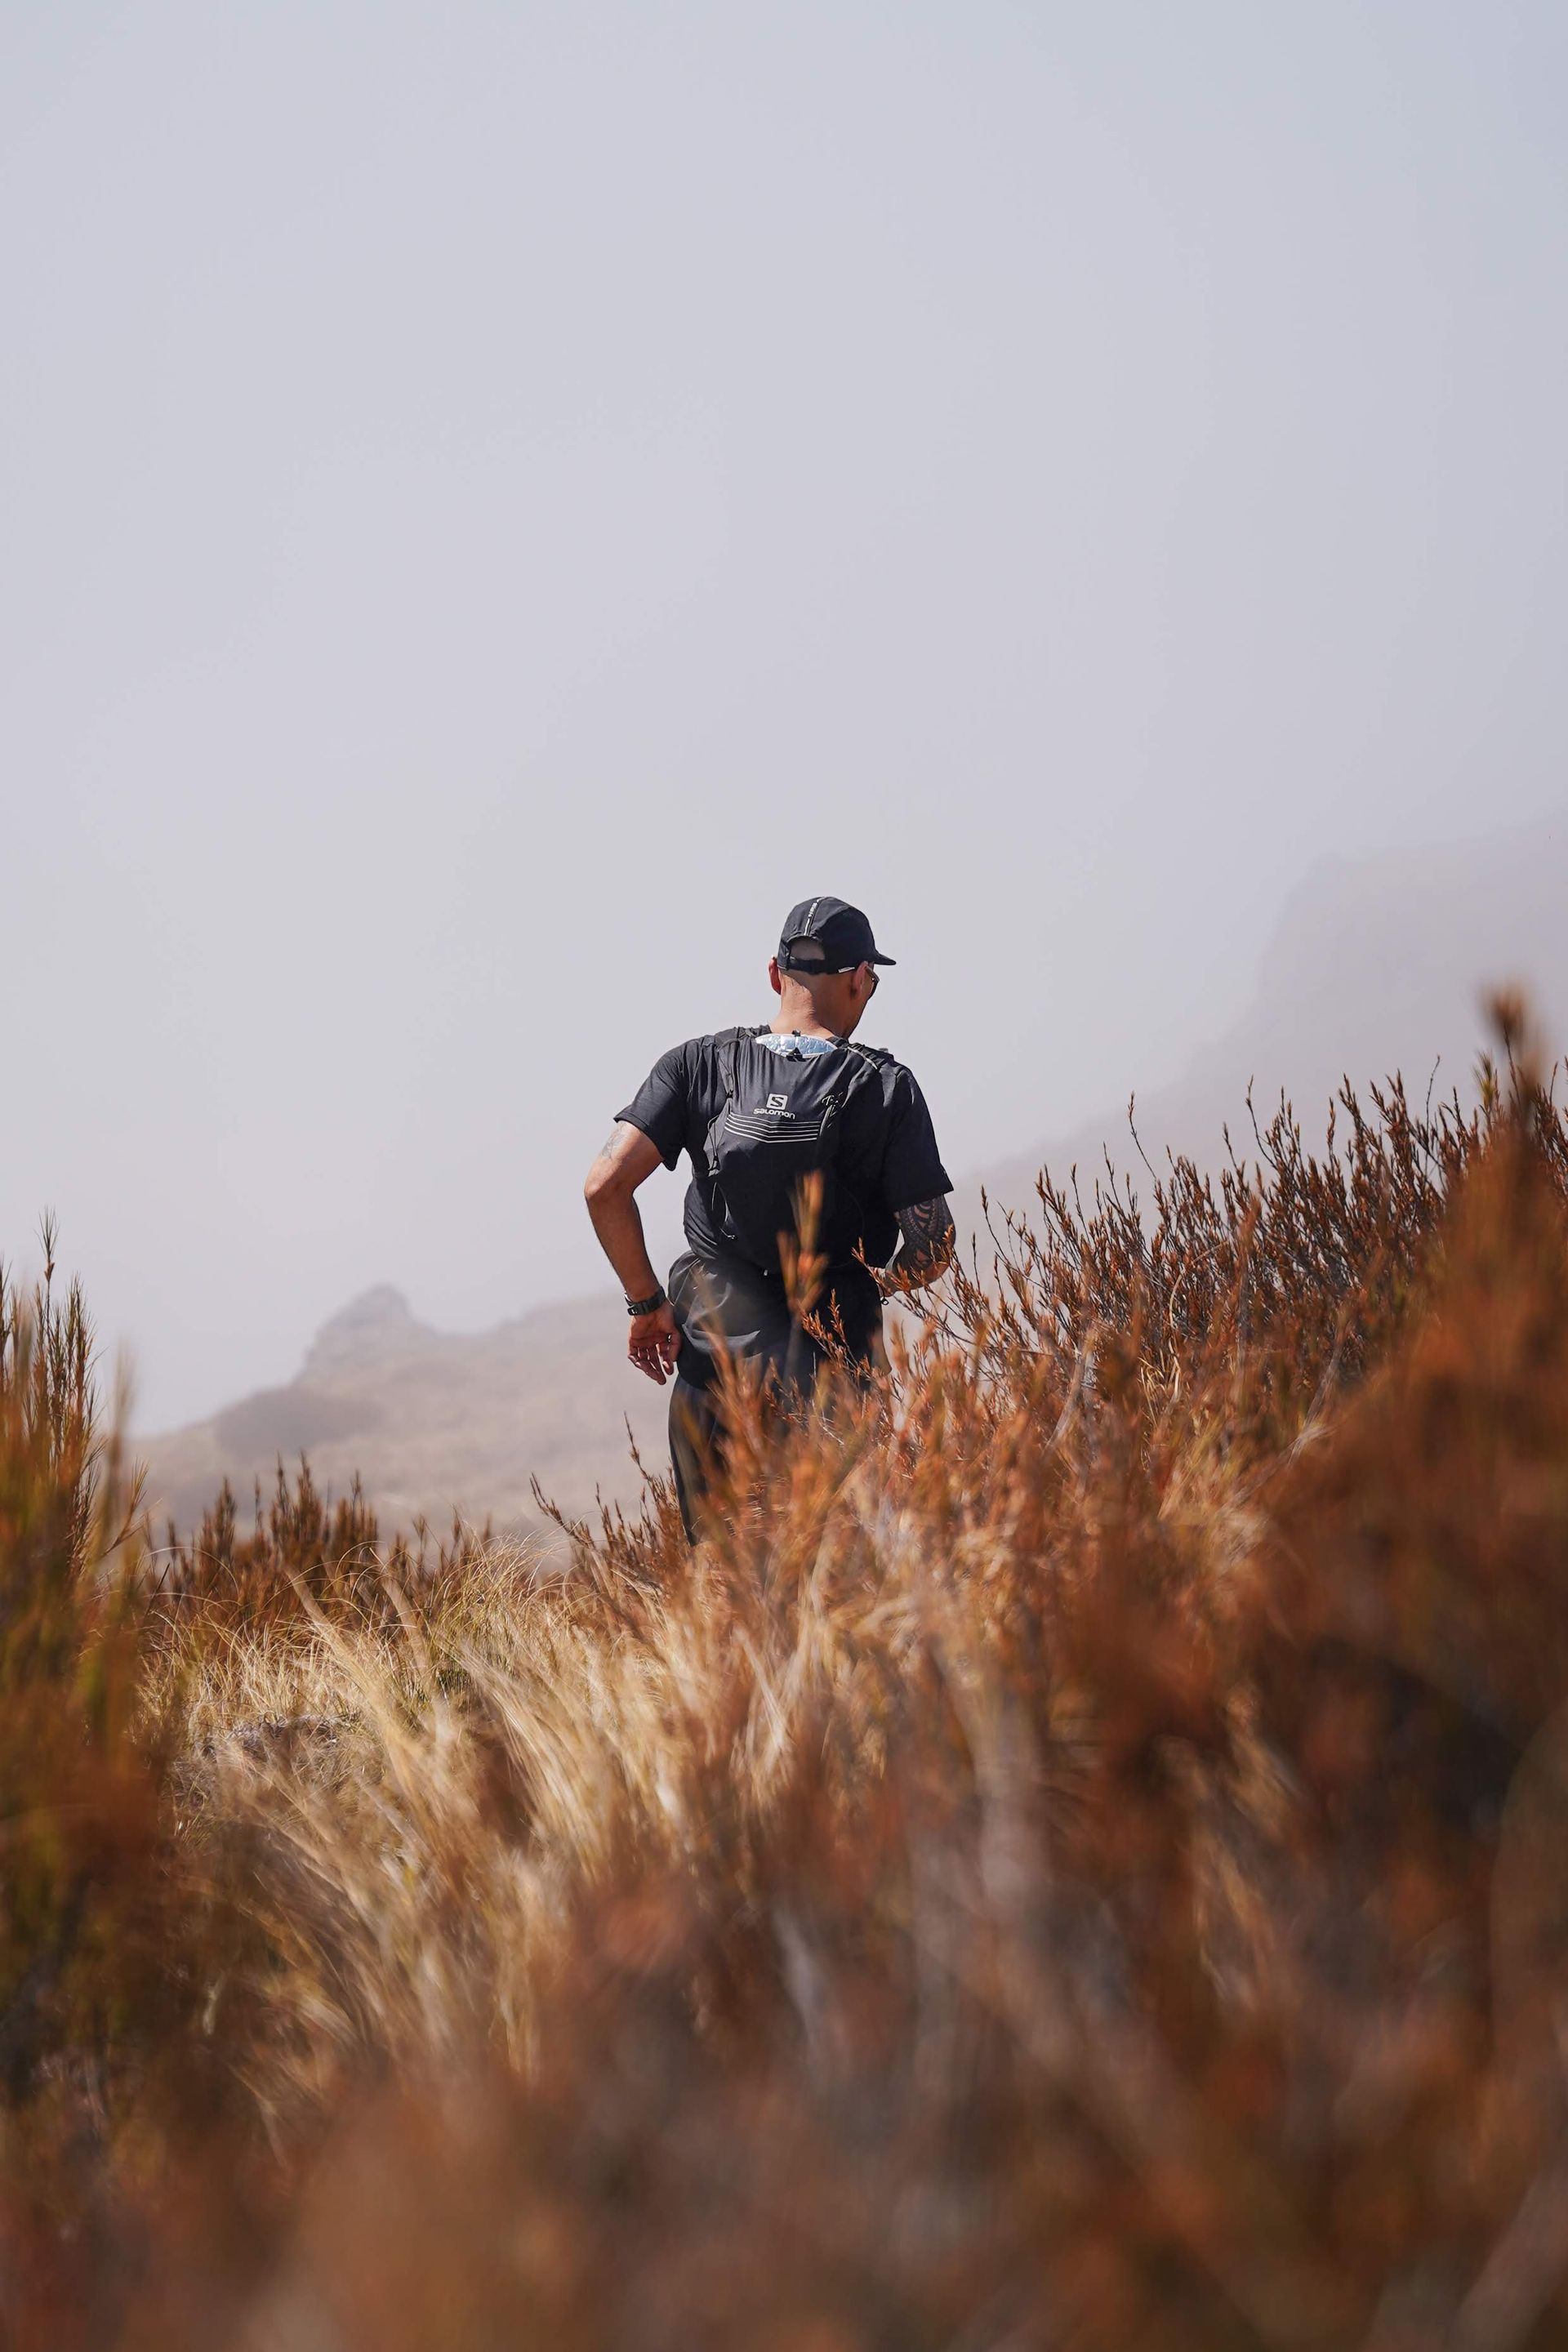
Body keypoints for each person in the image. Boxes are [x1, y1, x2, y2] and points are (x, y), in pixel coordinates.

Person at [584, 896, 956, 1539]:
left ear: (774, 975)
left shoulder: (697, 1064)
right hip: (835, 1373)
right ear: (859, 979)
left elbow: (603, 1188)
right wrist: (878, 1284)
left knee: (725, 1586)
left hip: (715, 1372)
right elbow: (934, 1241)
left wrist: (646, 1307)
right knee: (838, 1578)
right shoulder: (885, 1087)